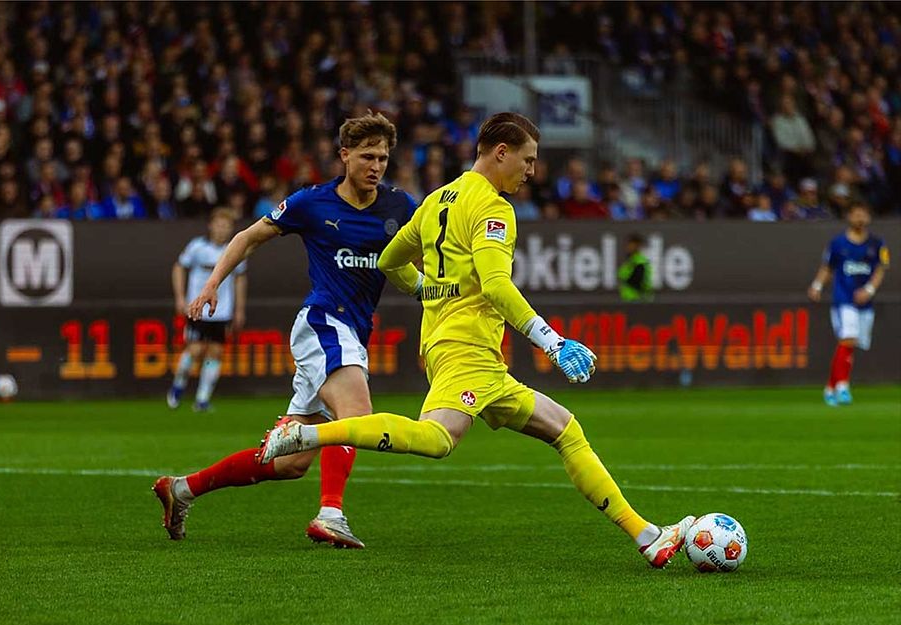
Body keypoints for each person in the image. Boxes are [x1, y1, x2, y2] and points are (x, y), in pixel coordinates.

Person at [259, 113, 694, 568]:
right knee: (437, 439)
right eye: (527, 161)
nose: (531, 171)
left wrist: (430, 290)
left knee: (564, 429)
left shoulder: (437, 200)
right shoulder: (492, 207)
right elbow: (496, 285)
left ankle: (647, 536)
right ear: (500, 152)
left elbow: (389, 260)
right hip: (469, 351)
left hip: (455, 348)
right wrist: (552, 341)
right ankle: (305, 433)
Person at [153, 113, 416, 549]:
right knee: (356, 413)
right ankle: (330, 514)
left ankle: (182, 489)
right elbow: (248, 237)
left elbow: (433, 247)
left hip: (352, 331)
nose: (376, 166)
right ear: (344, 155)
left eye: (383, 158)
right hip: (323, 322)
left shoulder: (400, 206)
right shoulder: (313, 202)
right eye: (367, 156)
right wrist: (213, 283)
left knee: (288, 462)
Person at [807, 202, 889, 406]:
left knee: (850, 345)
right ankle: (843, 386)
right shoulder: (837, 244)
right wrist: (817, 285)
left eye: (864, 214)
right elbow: (827, 268)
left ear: (868, 218)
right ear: (849, 217)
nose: (860, 218)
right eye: (856, 214)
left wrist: (869, 290)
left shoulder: (877, 244)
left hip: (865, 302)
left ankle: (830, 387)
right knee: (848, 338)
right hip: (844, 299)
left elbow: (881, 268)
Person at [168, 207, 247, 412]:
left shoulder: (235, 249)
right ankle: (178, 385)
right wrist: (180, 297)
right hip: (198, 307)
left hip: (222, 310)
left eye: (226, 226)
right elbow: (179, 267)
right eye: (219, 225)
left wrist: (239, 308)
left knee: (216, 352)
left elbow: (240, 279)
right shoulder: (197, 247)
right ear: (211, 226)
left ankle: (202, 399)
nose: (222, 230)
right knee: (195, 349)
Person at [618, 233, 654, 301]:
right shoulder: (631, 261)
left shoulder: (639, 262)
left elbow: (638, 282)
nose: (628, 247)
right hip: (629, 300)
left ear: (637, 246)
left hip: (638, 300)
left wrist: (625, 279)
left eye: (631, 245)